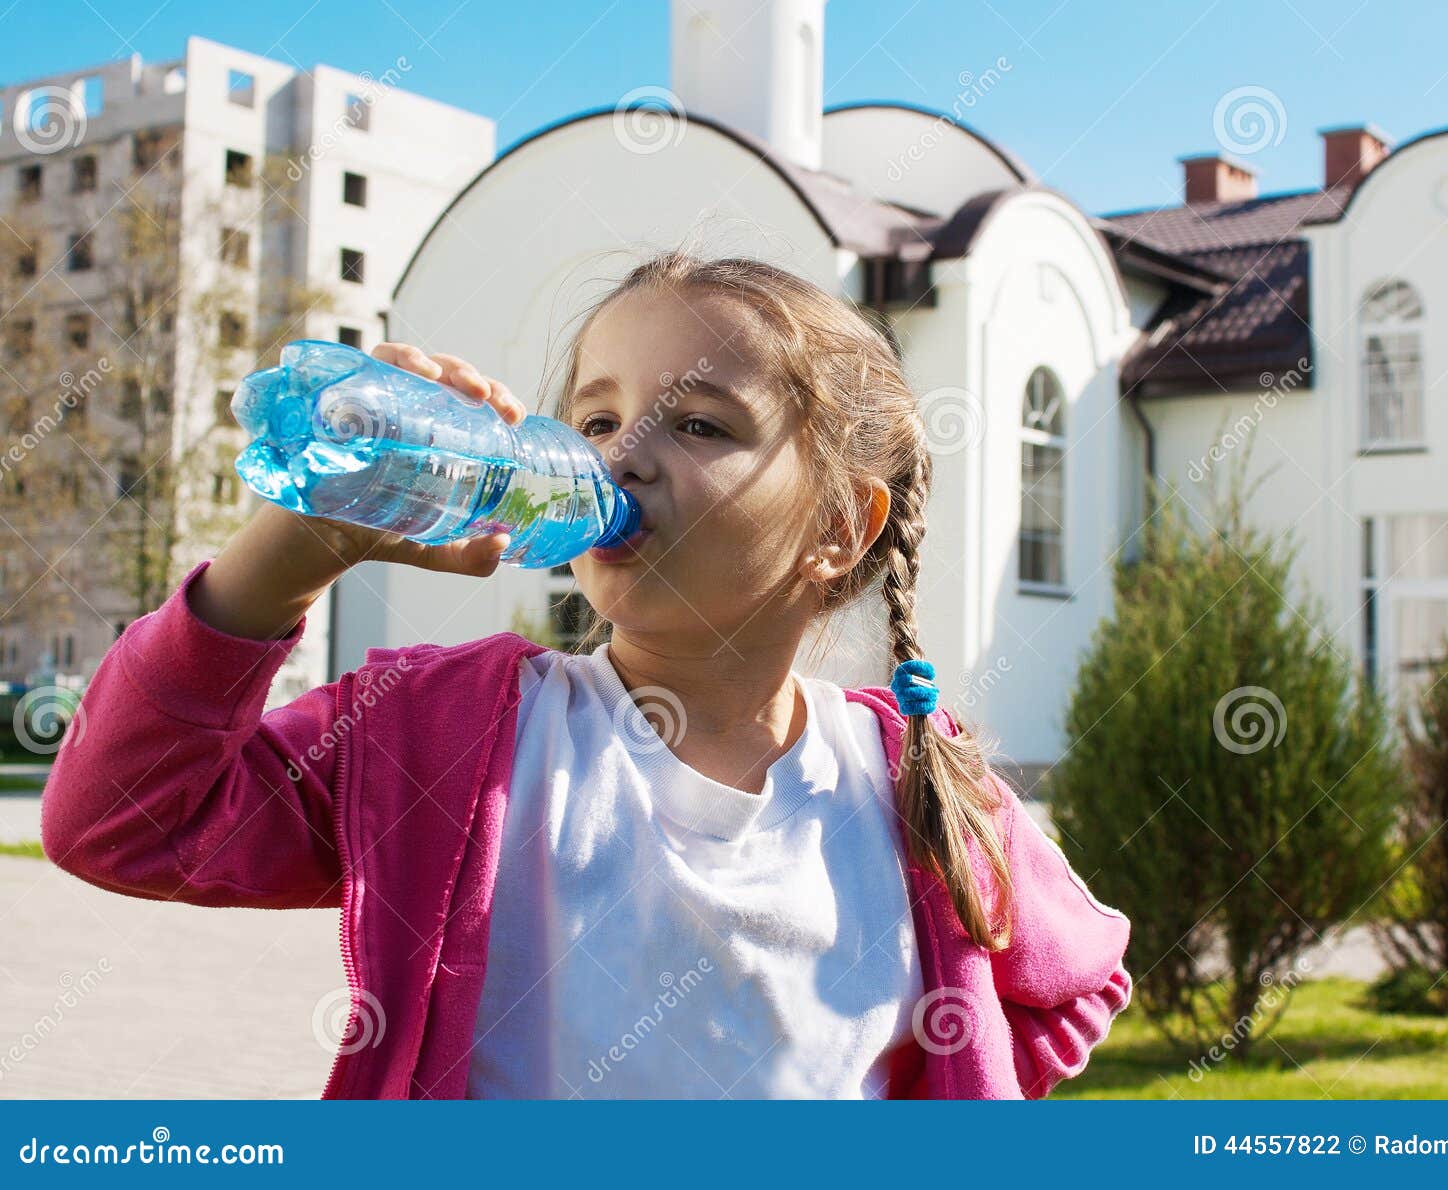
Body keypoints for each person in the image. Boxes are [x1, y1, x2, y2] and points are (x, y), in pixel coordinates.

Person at [40, 249, 1132, 1099]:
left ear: (841, 525)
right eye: (598, 417)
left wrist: (947, 1079)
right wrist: (286, 554)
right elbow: (125, 819)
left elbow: (1075, 979)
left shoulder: (909, 787)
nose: (620, 453)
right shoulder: (453, 736)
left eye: (697, 422)